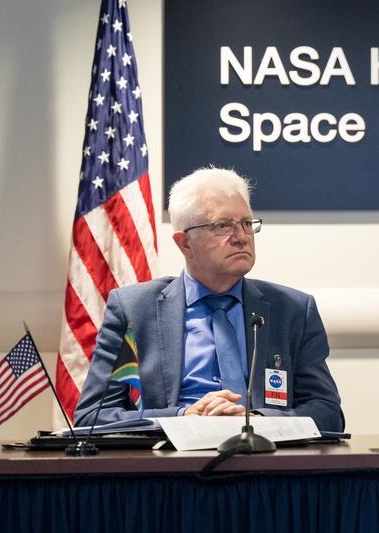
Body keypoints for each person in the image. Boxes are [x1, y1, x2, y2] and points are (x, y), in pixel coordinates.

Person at [74, 166, 344, 432]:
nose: (241, 237)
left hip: (264, 458)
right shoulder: (133, 309)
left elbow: (327, 412)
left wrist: (259, 420)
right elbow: (92, 417)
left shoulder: (293, 310)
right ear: (185, 243)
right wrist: (183, 416)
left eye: (247, 223)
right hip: (171, 463)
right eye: (223, 226)